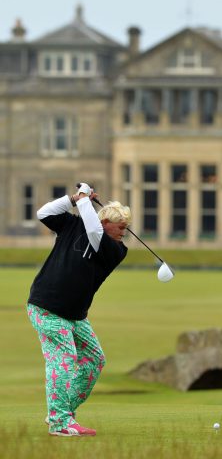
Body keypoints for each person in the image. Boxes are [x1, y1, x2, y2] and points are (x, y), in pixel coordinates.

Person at [27, 183, 131, 437]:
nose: (124, 233)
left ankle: (61, 411)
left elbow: (94, 233)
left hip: (75, 315)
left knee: (95, 360)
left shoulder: (116, 250)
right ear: (107, 222)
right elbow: (43, 213)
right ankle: (59, 422)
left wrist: (85, 199)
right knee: (64, 360)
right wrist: (75, 199)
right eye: (121, 227)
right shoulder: (73, 225)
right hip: (46, 306)